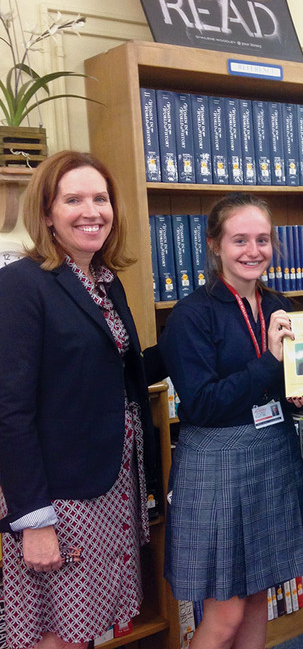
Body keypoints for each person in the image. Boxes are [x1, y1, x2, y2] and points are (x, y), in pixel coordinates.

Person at [0, 151, 164, 649]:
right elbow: (10, 410)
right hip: (59, 497)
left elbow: (114, 375)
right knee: (54, 634)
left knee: (83, 629)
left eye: (101, 198)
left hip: (108, 487)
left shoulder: (103, 282)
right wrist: (33, 521)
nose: (91, 210)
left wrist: (202, 336)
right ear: (47, 213)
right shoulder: (21, 285)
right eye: (73, 199)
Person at [159, 192, 303, 649]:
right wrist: (271, 362)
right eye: (240, 240)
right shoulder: (191, 315)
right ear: (215, 245)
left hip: (272, 458)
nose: (253, 251)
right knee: (225, 611)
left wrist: (301, 392)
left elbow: (280, 384)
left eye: (263, 240)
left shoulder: (278, 305)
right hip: (217, 466)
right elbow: (205, 404)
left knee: (256, 598)